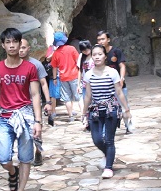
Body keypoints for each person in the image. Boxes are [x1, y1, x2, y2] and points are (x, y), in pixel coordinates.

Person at [0, 28, 43, 191]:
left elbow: (35, 95)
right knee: (3, 157)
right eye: (8, 42)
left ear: (20, 44)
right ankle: (13, 172)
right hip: (5, 117)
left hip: (25, 116)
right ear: (2, 45)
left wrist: (38, 121)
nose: (12, 45)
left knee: (25, 157)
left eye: (15, 42)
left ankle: (21, 189)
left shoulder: (30, 68)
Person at [83, 44, 131, 179]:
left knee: (109, 140)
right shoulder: (88, 74)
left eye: (100, 54)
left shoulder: (112, 72)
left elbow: (119, 92)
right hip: (95, 110)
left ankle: (108, 167)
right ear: (91, 57)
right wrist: (83, 112)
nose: (97, 57)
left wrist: (126, 109)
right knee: (97, 139)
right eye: (94, 55)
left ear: (105, 56)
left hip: (111, 110)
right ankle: (109, 155)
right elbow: (88, 95)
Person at [19, 38, 53, 166]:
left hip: (34, 103)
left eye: (24, 48)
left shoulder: (36, 64)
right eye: (19, 47)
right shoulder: (13, 64)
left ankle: (38, 151)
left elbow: (44, 83)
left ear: (29, 49)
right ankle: (25, 155)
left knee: (36, 129)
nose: (21, 50)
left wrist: (48, 102)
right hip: (19, 103)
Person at [50, 31, 82, 122]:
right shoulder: (71, 49)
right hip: (74, 76)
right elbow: (78, 61)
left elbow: (54, 67)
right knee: (79, 97)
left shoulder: (56, 53)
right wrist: (81, 73)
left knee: (66, 98)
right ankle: (84, 115)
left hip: (63, 77)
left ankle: (70, 116)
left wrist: (55, 78)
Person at [77, 40, 94, 125]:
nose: (86, 51)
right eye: (84, 50)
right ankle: (88, 121)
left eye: (87, 49)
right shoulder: (81, 57)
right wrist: (78, 84)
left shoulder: (94, 56)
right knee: (86, 103)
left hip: (94, 84)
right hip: (84, 85)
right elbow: (80, 70)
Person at [43, 45, 59, 123]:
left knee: (53, 95)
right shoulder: (52, 51)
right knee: (53, 95)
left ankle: (53, 111)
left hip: (53, 77)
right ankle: (53, 111)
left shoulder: (51, 49)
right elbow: (48, 57)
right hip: (53, 78)